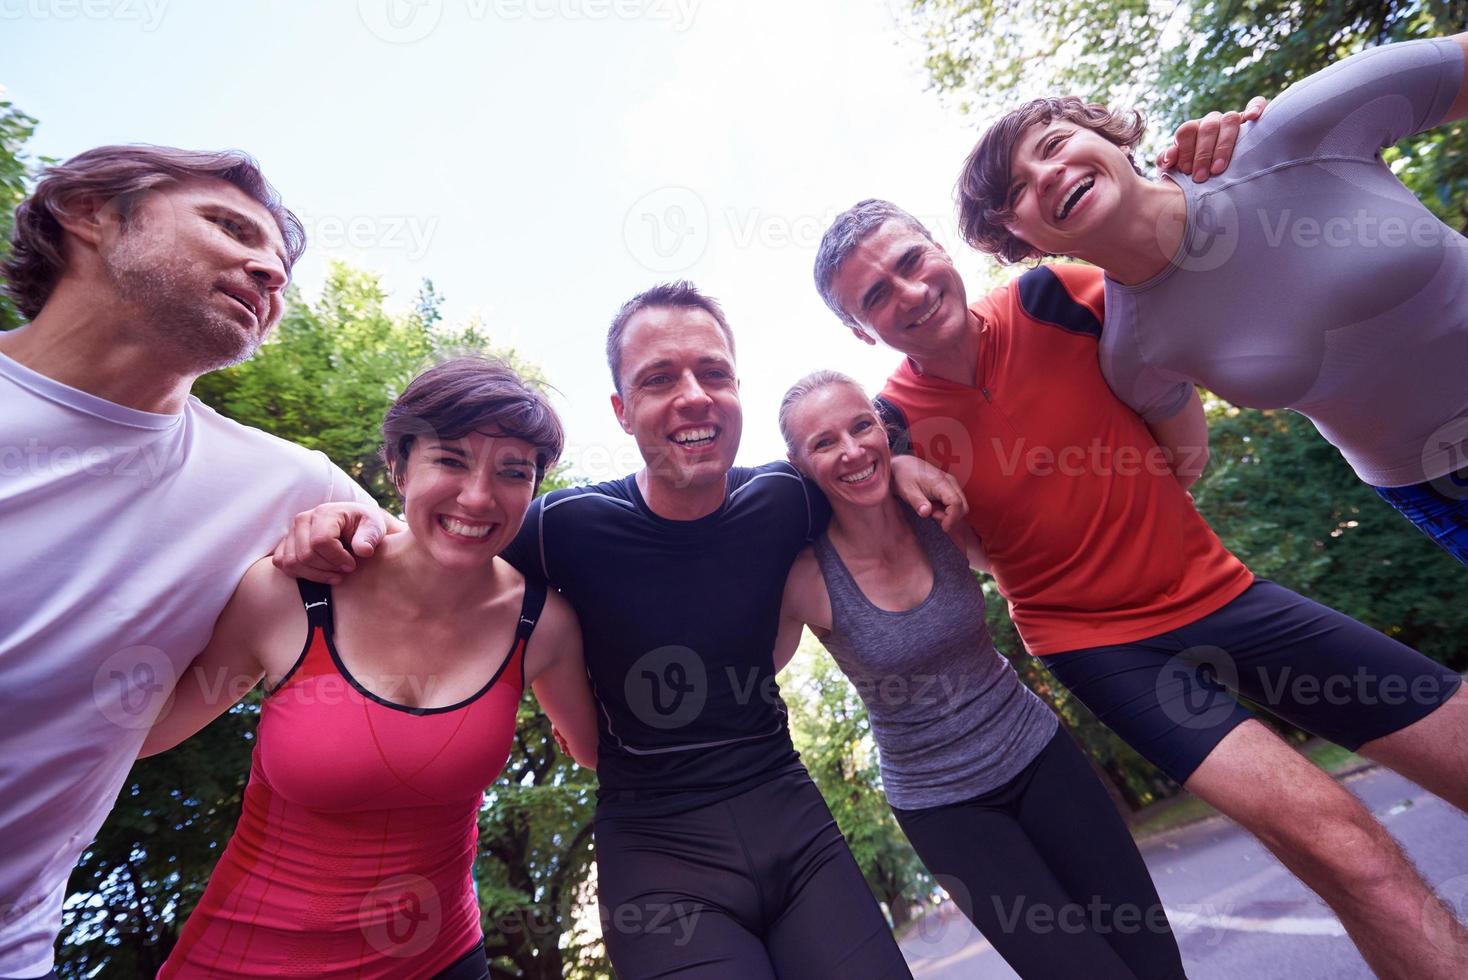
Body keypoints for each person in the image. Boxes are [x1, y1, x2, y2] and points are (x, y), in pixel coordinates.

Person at [812, 198, 1468, 979]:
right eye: (876, 296)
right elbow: (887, 525)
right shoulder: (887, 428)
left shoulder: (1056, 294)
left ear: (940, 250)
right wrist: (899, 463)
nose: (908, 292)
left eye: (910, 261)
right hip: (1103, 649)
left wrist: (1216, 159)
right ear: (860, 330)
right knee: (1343, 846)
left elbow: (1184, 276)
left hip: (1226, 594)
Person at [272, 282, 972, 978]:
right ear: (622, 411)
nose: (694, 395)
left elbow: (856, 463)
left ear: (736, 391)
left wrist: (903, 462)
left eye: (713, 372)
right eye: (659, 378)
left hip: (791, 817)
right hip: (658, 855)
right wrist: (359, 525)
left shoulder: (785, 498)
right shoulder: (561, 529)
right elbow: (446, 542)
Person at [0, 145, 380, 980]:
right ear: (90, 213)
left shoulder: (287, 483)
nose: (266, 272)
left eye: (279, 265)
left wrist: (314, 567)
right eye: (228, 227)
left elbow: (462, 582)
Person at [141, 357, 598, 978]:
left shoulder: (544, 626)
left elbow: (601, 750)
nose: (478, 495)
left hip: (442, 958)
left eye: (512, 472)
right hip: (249, 956)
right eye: (451, 459)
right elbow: (143, 735)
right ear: (398, 466)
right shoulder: (292, 594)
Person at [956, 34, 1468, 564]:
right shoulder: (1133, 354)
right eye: (1015, 192)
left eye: (1054, 144)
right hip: (1436, 488)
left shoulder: (1286, 134)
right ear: (1023, 242)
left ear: (1110, 137)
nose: (1047, 175)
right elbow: (1166, 474)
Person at [774, 370, 1187, 979]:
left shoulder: (938, 509)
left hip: (1040, 755)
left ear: (884, 429)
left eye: (861, 426)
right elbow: (746, 672)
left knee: (1153, 958)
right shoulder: (804, 577)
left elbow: (1035, 548)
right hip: (943, 808)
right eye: (824, 442)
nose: (852, 450)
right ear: (799, 465)